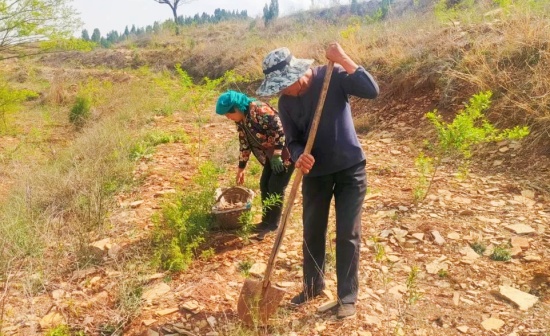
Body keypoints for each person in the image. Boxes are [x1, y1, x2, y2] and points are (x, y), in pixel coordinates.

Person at [256, 43, 379, 319]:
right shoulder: (286, 103)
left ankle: (347, 296)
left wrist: (344, 58)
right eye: (280, 87)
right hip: (315, 174)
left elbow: (372, 90)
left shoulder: (331, 76)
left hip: (350, 169)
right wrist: (299, 156)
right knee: (312, 231)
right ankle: (312, 286)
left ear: (298, 71)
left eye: (287, 83)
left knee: (348, 233)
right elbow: (293, 139)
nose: (285, 90)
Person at [215, 90, 295, 239]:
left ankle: (273, 225)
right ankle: (265, 221)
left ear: (236, 108)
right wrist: (241, 168)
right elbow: (244, 142)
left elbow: (281, 129)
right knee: (264, 184)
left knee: (276, 186)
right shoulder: (241, 120)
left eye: (228, 114)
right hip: (271, 155)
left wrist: (277, 153)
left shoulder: (259, 110)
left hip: (285, 151)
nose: (228, 117)